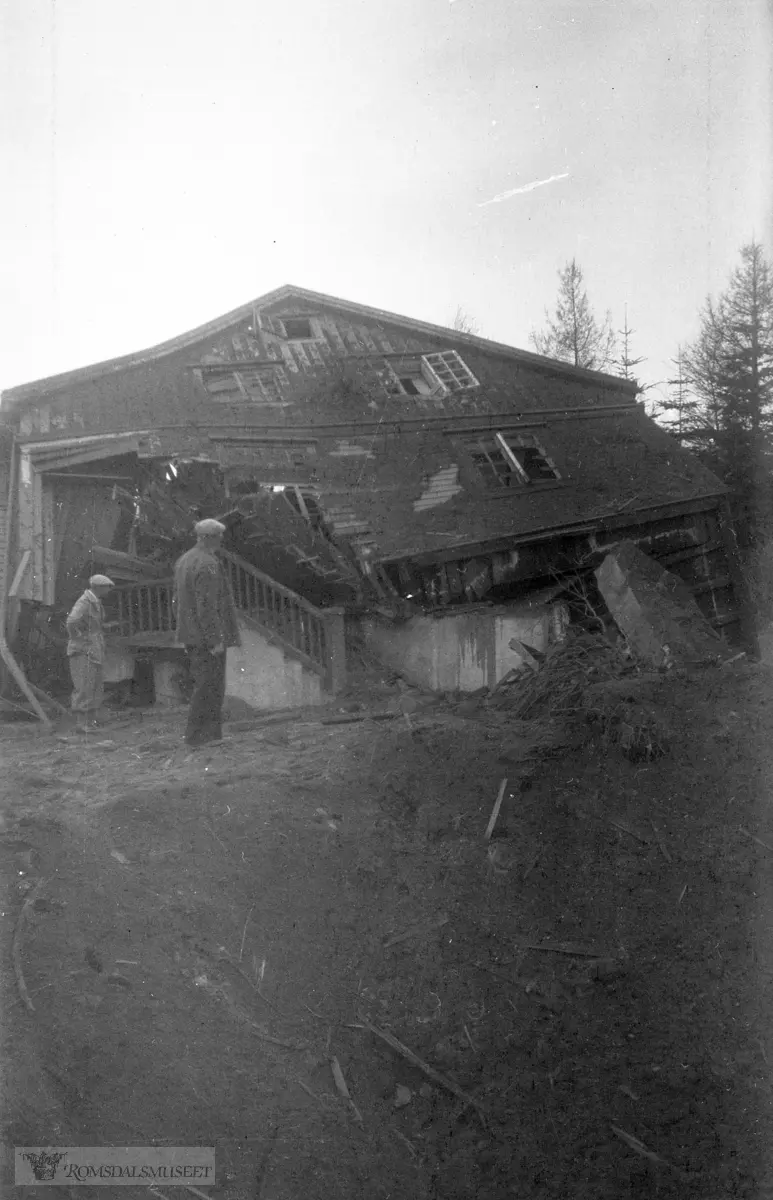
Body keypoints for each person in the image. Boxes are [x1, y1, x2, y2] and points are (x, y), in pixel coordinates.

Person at [173, 519, 241, 747]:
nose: (222, 541)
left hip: (191, 635)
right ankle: (202, 737)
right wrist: (215, 640)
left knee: (204, 684)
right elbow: (207, 606)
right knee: (211, 687)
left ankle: (202, 736)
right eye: (219, 537)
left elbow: (181, 602)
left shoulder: (184, 560)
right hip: (206, 637)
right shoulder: (208, 563)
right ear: (211, 537)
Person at [65, 574, 115, 732]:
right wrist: (78, 638)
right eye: (107, 587)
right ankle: (82, 723)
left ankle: (91, 721)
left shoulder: (95, 601)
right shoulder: (85, 602)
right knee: (84, 685)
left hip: (94, 648)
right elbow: (71, 621)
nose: (109, 590)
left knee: (95, 684)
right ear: (98, 587)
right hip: (83, 650)